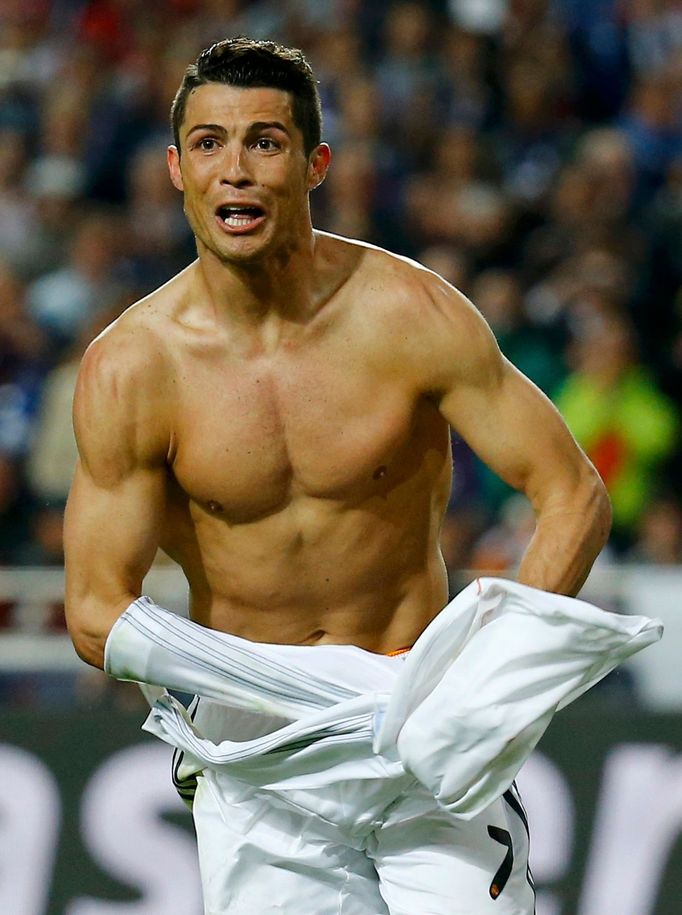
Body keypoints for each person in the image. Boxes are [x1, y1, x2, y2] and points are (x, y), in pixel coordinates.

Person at [63, 38, 618, 914]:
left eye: (265, 142)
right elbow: (96, 611)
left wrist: (480, 691)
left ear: (315, 163)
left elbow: (572, 493)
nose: (235, 170)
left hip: (422, 728)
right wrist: (286, 689)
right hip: (260, 759)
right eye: (209, 143)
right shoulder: (135, 367)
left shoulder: (411, 315)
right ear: (175, 168)